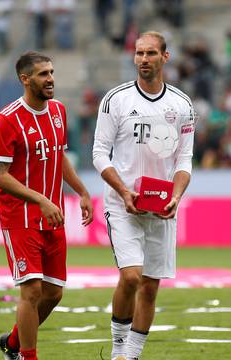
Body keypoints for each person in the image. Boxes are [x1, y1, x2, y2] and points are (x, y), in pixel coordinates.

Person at [92, 31, 194, 360]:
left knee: (150, 286)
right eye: (139, 53)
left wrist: (176, 196)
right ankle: (118, 348)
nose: (143, 59)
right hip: (122, 204)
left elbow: (184, 159)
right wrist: (122, 190)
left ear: (166, 57)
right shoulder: (116, 100)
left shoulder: (181, 105)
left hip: (161, 206)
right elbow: (98, 154)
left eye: (151, 53)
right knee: (131, 276)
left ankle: (132, 356)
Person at [0, 51, 94, 360]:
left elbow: (59, 156)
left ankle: (12, 342)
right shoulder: (7, 120)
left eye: (51, 72)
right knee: (32, 290)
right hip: (20, 216)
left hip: (53, 216)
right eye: (42, 74)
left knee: (54, 293)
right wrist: (40, 199)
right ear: (25, 80)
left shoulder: (59, 111)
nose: (50, 79)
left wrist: (82, 191)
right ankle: (27, 356)